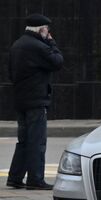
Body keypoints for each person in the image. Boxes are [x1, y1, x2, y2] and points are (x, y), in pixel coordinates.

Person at [7, 13, 64, 190]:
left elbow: (10, 73)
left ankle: (15, 177)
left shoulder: (17, 45)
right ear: (41, 29)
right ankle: (35, 179)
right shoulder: (38, 46)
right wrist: (52, 43)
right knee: (37, 141)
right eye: (47, 30)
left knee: (23, 140)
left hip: (20, 100)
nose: (48, 33)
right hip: (36, 100)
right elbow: (57, 62)